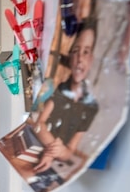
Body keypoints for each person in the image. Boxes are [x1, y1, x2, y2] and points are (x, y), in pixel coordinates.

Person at [32, 19, 98, 173]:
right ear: (70, 56)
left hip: (51, 163)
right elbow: (38, 124)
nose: (80, 58)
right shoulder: (60, 90)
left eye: (86, 52)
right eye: (76, 51)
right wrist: (54, 149)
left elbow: (70, 151)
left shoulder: (91, 107)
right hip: (36, 150)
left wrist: (59, 152)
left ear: (91, 59)